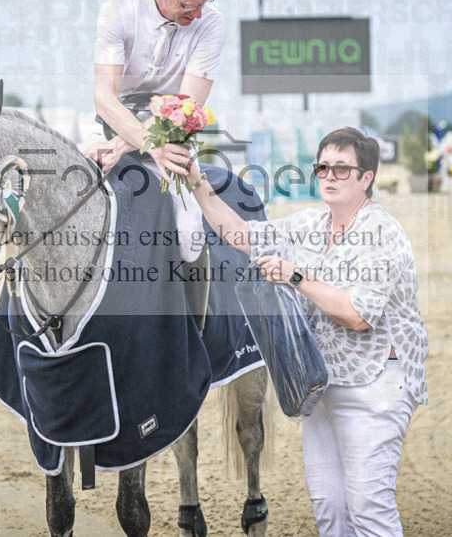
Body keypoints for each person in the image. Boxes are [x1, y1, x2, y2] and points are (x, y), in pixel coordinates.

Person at [182, 127, 429, 536]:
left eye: (342, 169)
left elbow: (356, 316)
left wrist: (295, 275)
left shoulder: (382, 233)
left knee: (369, 508)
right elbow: (240, 235)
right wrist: (195, 177)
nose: (329, 176)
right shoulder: (311, 224)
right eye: (323, 167)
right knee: (329, 509)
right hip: (323, 385)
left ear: (367, 178)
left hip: (376, 387)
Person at [83, 0, 225, 264]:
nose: (199, 14)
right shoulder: (118, 10)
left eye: (205, 2)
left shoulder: (213, 24)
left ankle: (192, 316)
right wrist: (128, 141)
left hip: (170, 132)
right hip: (109, 122)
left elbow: (185, 107)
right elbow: (104, 99)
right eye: (189, 5)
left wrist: (126, 147)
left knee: (190, 231)